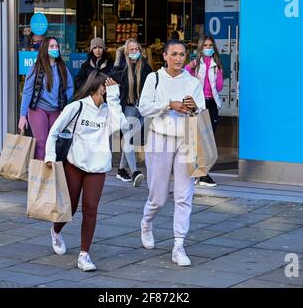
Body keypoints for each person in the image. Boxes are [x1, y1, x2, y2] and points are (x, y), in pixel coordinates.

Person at [44, 71, 126, 271]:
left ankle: (84, 255)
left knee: (90, 208)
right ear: (100, 87)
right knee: (70, 208)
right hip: (75, 163)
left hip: (97, 167)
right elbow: (54, 132)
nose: (110, 91)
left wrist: (114, 98)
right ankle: (56, 231)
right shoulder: (77, 107)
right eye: (108, 87)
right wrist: (49, 157)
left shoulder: (109, 110)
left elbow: (122, 126)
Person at [137, 40, 205, 266]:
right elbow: (143, 107)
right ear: (165, 55)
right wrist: (169, 105)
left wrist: (193, 107)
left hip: (187, 138)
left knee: (184, 195)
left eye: (182, 54)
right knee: (158, 195)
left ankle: (178, 245)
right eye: (174, 54)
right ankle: (147, 222)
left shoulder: (192, 81)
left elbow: (201, 109)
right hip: (160, 139)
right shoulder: (154, 78)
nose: (178, 58)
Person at [18, 37, 74, 160]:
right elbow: (27, 92)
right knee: (41, 142)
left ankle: (51, 173)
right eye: (51, 46)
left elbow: (70, 87)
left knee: (52, 143)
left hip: (56, 110)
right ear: (45, 49)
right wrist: (22, 116)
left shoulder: (62, 68)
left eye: (56, 46)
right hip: (38, 109)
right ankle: (40, 175)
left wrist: (66, 103)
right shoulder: (36, 67)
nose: (55, 48)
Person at [110, 38, 152, 187]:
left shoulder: (146, 68)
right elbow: (112, 78)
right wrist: (117, 56)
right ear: (126, 52)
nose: (134, 52)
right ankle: (134, 172)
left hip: (142, 109)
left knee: (131, 139)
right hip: (127, 108)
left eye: (136, 49)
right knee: (128, 139)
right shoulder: (122, 67)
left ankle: (121, 169)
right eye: (131, 50)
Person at [185, 35, 224, 187]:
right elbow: (185, 77)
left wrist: (218, 72)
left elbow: (219, 87)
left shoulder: (216, 64)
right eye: (205, 46)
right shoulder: (195, 64)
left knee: (209, 139)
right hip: (199, 104)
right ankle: (202, 174)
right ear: (200, 48)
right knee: (198, 140)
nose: (208, 48)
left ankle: (202, 173)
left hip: (212, 104)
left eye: (210, 45)